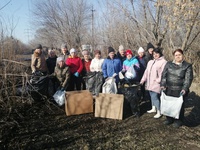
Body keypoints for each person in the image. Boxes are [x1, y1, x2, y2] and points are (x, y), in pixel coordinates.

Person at [161, 49, 193, 128]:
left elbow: (188, 79)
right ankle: (169, 119)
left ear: (182, 55)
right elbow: (164, 75)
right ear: (174, 56)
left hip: (180, 89)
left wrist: (185, 88)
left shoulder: (187, 66)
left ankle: (178, 120)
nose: (178, 56)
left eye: (179, 55)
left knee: (179, 106)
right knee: (168, 104)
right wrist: (163, 84)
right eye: (176, 55)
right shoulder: (168, 64)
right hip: (168, 88)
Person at [140, 48, 167, 118]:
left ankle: (159, 111)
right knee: (151, 95)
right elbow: (146, 72)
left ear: (160, 54)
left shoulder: (163, 62)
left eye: (157, 54)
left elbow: (164, 73)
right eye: (154, 54)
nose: (155, 55)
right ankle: (153, 108)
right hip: (149, 82)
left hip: (156, 83)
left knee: (155, 97)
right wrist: (142, 80)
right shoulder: (150, 62)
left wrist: (158, 80)